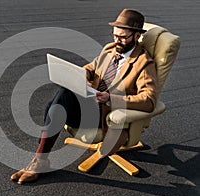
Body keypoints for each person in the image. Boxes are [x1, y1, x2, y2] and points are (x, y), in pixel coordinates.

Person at [11, 8, 157, 184]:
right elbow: (91, 68)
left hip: (104, 115)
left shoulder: (144, 64)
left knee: (58, 102)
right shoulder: (110, 50)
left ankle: (40, 159)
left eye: (123, 37)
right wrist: (81, 77)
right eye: (115, 35)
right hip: (90, 102)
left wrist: (110, 98)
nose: (117, 40)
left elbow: (148, 101)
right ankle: (40, 158)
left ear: (136, 36)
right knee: (60, 99)